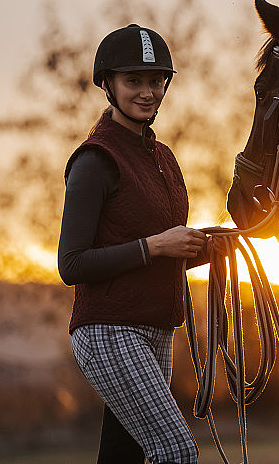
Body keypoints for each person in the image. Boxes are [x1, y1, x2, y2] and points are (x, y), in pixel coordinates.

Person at [58, 24, 208, 464]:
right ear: (107, 83)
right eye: (134, 81)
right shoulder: (95, 160)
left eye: (157, 81)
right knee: (176, 451)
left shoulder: (163, 159)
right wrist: (156, 247)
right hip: (109, 330)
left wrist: (241, 238)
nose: (149, 92)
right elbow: (72, 264)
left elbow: (168, 251)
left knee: (123, 456)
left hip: (156, 329)